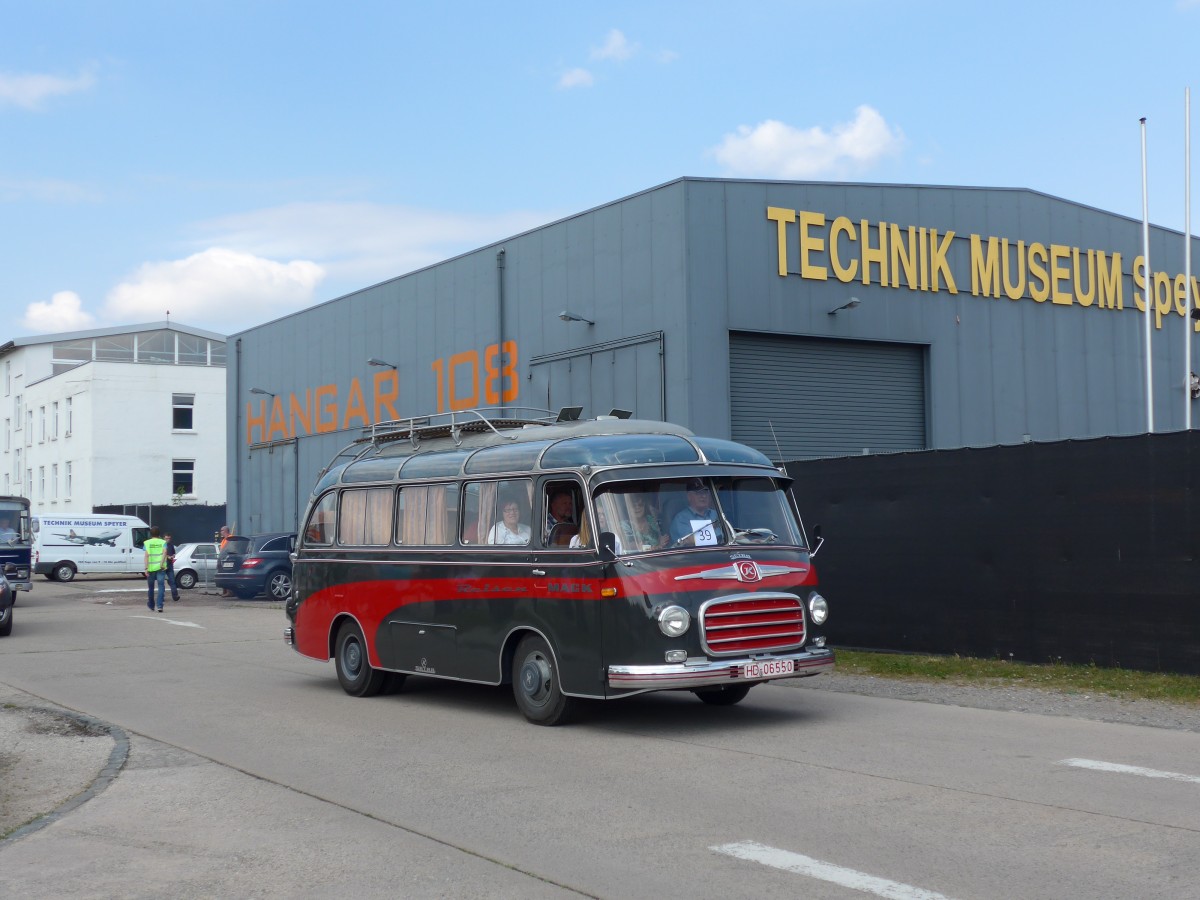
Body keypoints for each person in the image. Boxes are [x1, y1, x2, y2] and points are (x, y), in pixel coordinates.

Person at [669, 479, 725, 546]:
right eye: (699, 493)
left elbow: (729, 535)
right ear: (689, 496)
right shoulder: (681, 519)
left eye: (705, 492)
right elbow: (688, 541)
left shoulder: (716, 514)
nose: (703, 496)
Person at [144, 526, 168, 612]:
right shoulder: (163, 542)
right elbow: (165, 552)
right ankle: (160, 606)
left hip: (150, 568)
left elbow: (146, 556)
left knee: (151, 588)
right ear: (159, 534)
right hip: (161, 568)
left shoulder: (147, 543)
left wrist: (146, 568)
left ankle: (151, 605)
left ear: (150, 534)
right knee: (161, 586)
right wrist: (161, 563)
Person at [164, 532, 180, 602]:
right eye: (167, 538)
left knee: (172, 581)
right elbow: (162, 554)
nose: (168, 540)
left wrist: (172, 556)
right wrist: (168, 557)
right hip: (163, 565)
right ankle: (162, 596)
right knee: (161, 582)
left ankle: (175, 596)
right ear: (164, 538)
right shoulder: (162, 545)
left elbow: (174, 553)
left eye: (169, 538)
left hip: (170, 565)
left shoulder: (171, 545)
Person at [218, 525, 233, 597]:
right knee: (222, 575)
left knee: (227, 575)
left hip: (228, 559)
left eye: (222, 530)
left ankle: (229, 592)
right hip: (222, 559)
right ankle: (224, 591)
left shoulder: (231, 539)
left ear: (226, 531)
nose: (221, 532)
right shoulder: (224, 539)